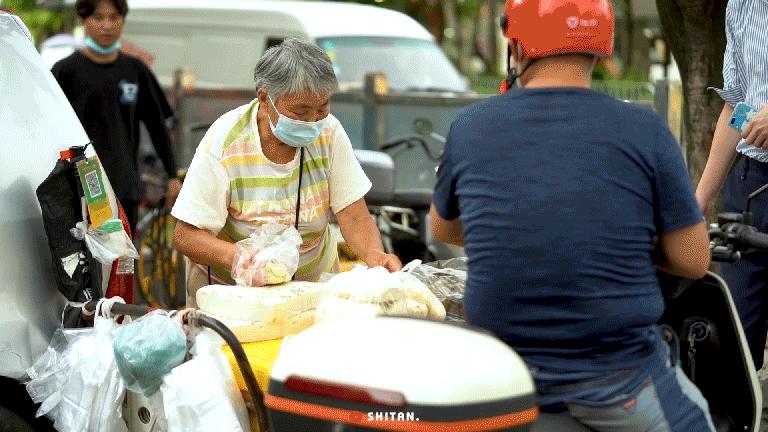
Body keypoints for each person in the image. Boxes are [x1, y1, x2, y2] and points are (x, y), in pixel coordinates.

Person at [430, 0, 714, 430]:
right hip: (618, 379)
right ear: (601, 49)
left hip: (504, 375)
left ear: (518, 47)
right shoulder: (644, 129)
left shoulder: (472, 124)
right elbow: (694, 260)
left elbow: (443, 226)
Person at [172, 38, 401, 306]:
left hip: (312, 293)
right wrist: (241, 259)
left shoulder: (329, 132)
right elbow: (186, 236)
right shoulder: (225, 142)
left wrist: (375, 256)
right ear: (264, 98)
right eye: (301, 111)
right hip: (233, 299)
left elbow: (353, 215)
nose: (313, 121)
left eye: (322, 108)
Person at [51, 0, 181, 232]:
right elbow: (45, 129)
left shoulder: (136, 71)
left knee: (123, 262)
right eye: (98, 18)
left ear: (123, 21)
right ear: (84, 21)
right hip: (76, 188)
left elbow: (157, 126)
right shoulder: (65, 71)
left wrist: (172, 176)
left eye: (114, 18)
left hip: (124, 187)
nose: (107, 25)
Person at [696, 0, 768, 370]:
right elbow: (734, 105)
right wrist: (700, 199)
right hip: (751, 185)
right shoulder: (740, 5)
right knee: (736, 346)